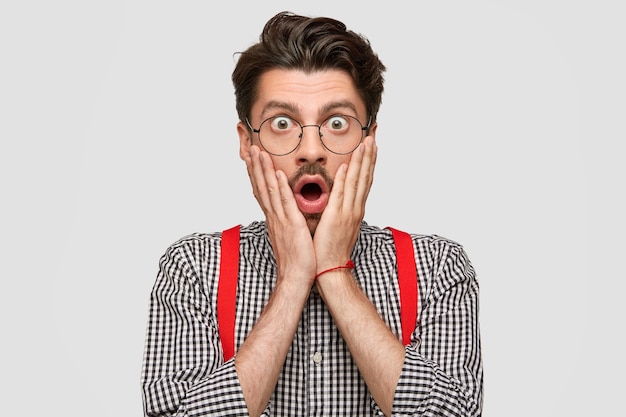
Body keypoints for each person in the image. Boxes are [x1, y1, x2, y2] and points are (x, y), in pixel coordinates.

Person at [140, 11, 483, 417]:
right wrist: (292, 280)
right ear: (247, 143)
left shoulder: (437, 268)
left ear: (369, 140)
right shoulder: (194, 268)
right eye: (281, 122)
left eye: (337, 122)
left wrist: (335, 273)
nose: (311, 150)